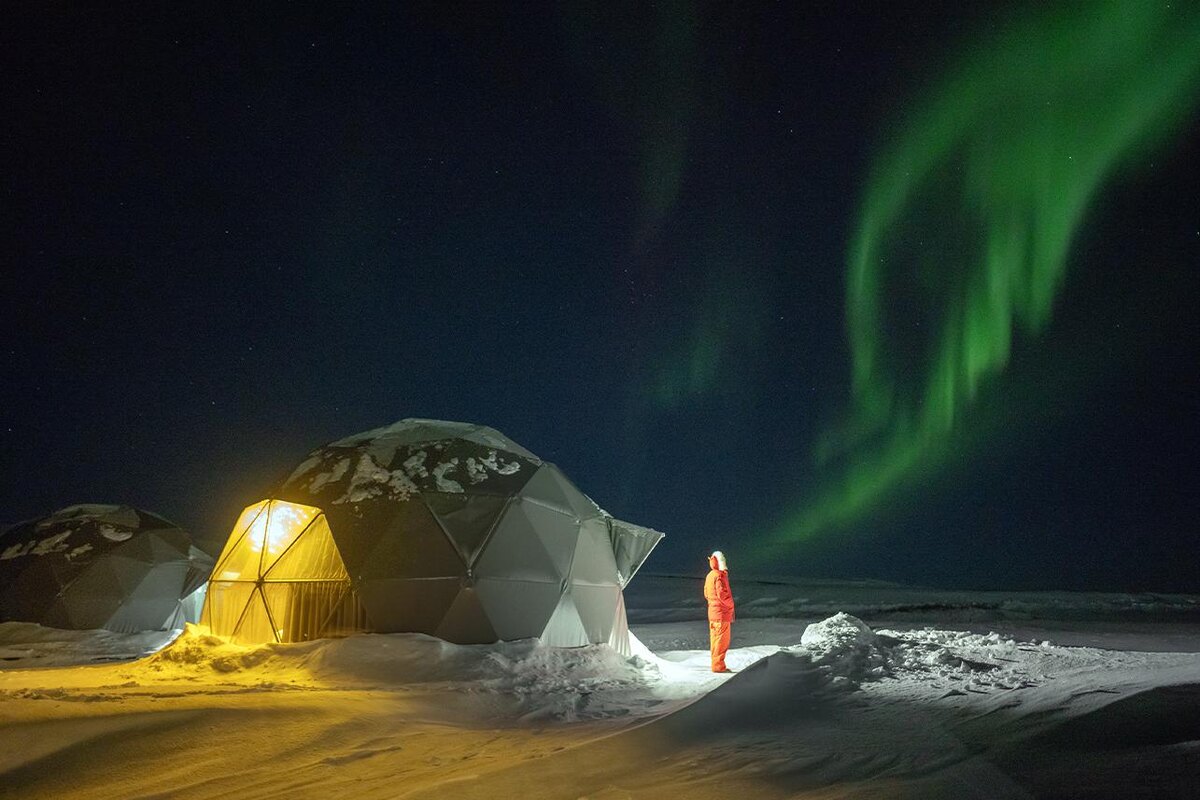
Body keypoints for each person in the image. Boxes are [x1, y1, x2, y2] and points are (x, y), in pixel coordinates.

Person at [703, 550, 735, 672]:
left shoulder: (710, 575)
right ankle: (718, 666)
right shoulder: (719, 576)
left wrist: (713, 603)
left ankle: (716, 664)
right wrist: (731, 605)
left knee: (715, 641)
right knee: (722, 642)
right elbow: (723, 594)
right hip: (722, 615)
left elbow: (706, 593)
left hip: (713, 614)